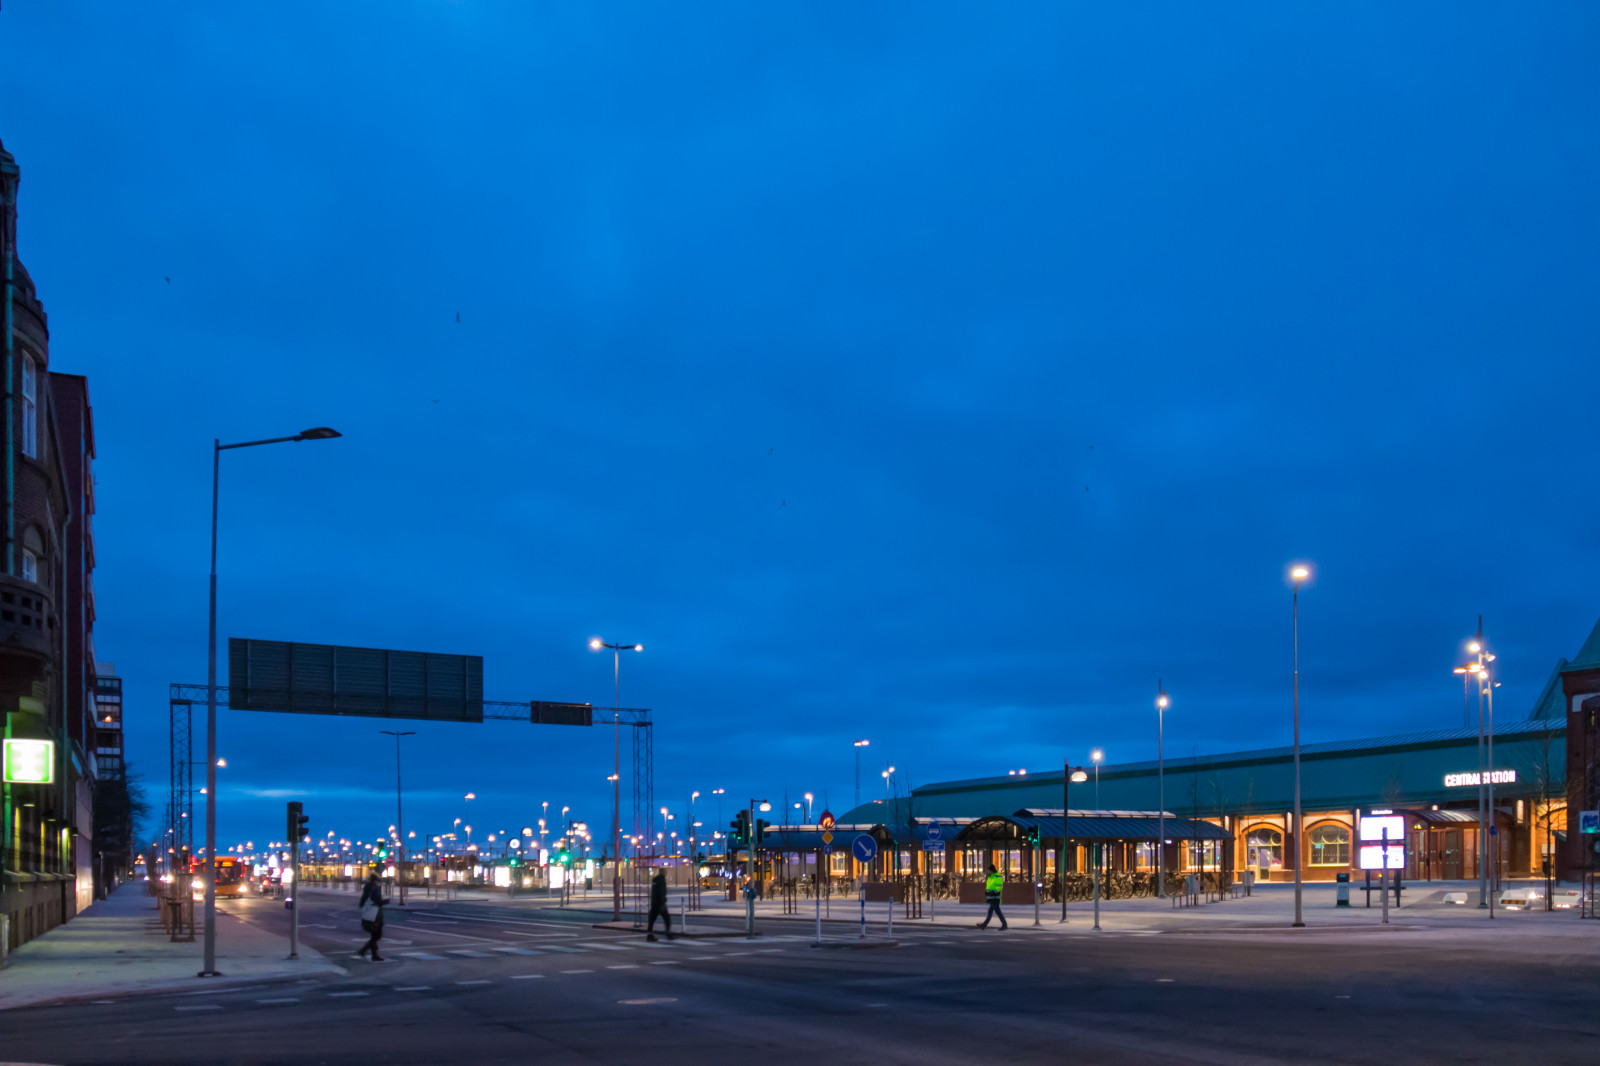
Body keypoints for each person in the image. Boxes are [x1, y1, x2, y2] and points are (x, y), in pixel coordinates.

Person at [357, 869, 390, 961]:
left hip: (369, 912)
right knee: (377, 935)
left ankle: (373, 954)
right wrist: (386, 901)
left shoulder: (368, 887)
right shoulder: (374, 888)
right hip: (374, 914)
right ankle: (365, 950)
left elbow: (364, 900)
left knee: (374, 935)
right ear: (376, 880)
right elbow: (376, 901)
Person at [976, 863, 1007, 930]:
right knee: (997, 912)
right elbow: (989, 886)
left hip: (995, 898)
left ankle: (984, 925)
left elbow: (999, 887)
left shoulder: (997, 876)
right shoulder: (990, 877)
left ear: (992, 870)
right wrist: (987, 892)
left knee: (991, 911)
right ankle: (1004, 925)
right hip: (991, 897)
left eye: (988, 871)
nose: (987, 872)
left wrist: (993, 892)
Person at [647, 867, 674, 941]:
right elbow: (661, 892)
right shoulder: (662, 880)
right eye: (665, 872)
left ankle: (649, 935)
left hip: (654, 903)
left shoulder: (655, 879)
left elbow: (654, 891)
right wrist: (663, 902)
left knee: (652, 919)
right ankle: (668, 933)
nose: (666, 873)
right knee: (667, 918)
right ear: (663, 873)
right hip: (660, 903)